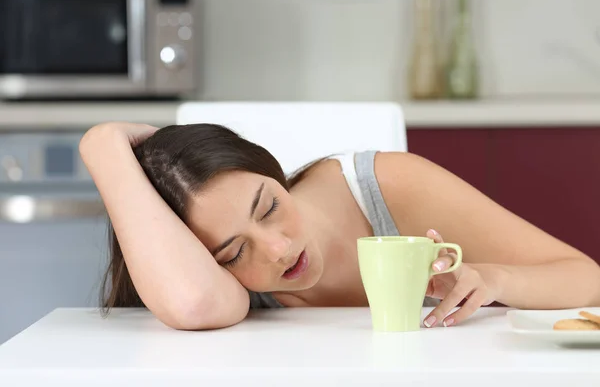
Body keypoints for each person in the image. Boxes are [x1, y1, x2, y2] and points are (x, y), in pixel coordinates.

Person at [79, 121, 600, 331]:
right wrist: (103, 145)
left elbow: (587, 277)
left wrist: (496, 280)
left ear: (273, 171)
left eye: (269, 207)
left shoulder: (389, 182)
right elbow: (194, 304)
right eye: (234, 255)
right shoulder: (201, 285)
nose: (279, 248)